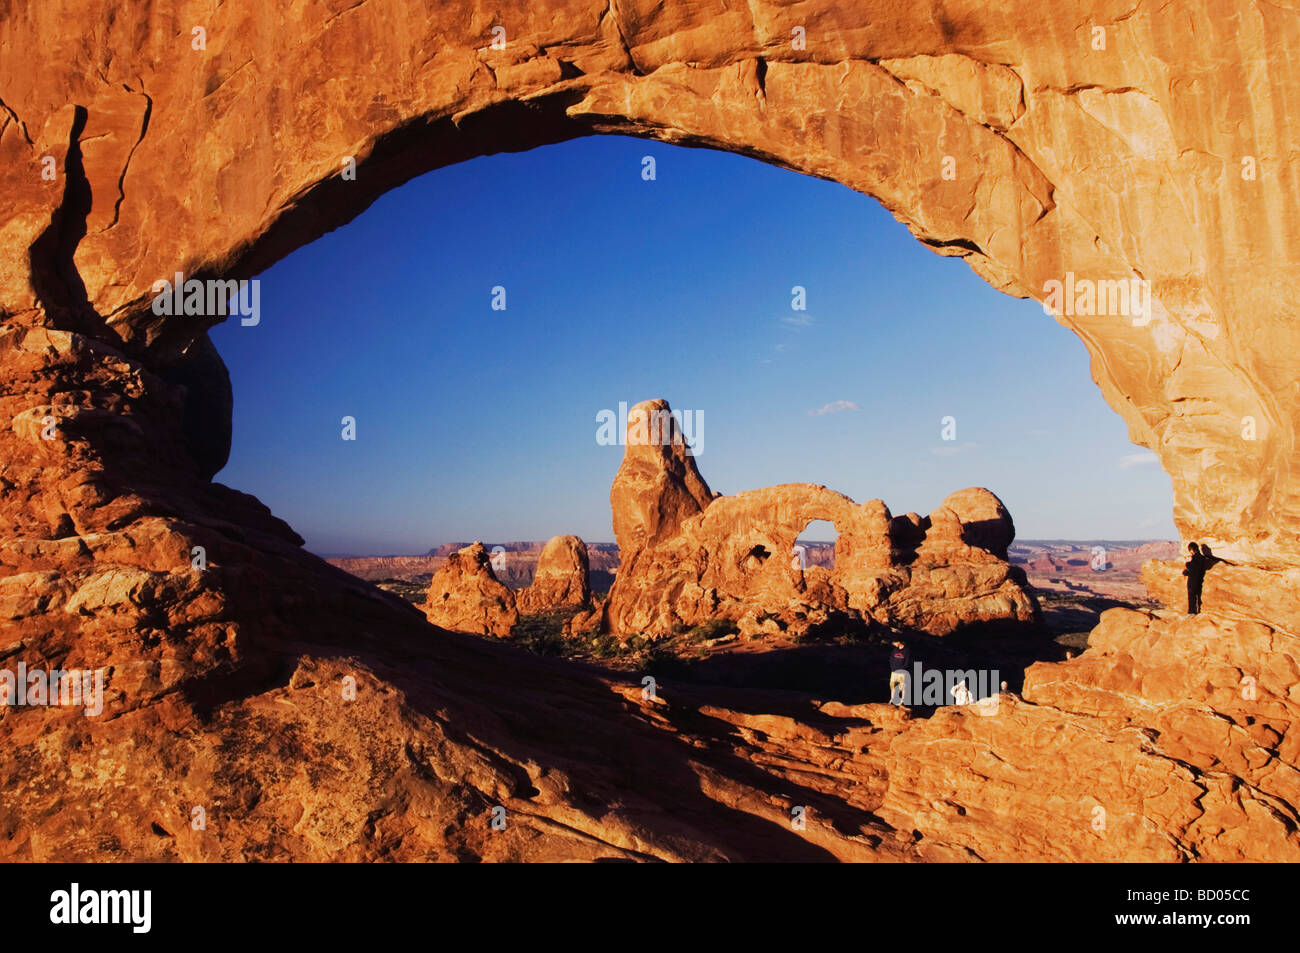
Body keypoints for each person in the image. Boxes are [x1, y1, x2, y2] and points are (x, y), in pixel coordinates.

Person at [1183, 542, 1235, 614]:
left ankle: (1192, 612)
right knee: (1195, 596)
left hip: (1193, 579)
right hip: (1197, 578)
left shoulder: (1197, 558)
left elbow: (1194, 568)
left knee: (1192, 596)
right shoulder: (1201, 558)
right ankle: (1194, 611)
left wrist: (1187, 566)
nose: (1190, 552)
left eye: (1190, 550)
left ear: (1192, 550)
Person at [888, 639, 909, 705]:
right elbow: (891, 659)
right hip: (894, 671)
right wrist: (892, 668)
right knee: (892, 686)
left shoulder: (906, 651)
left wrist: (903, 668)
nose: (894, 644)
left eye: (895, 642)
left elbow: (907, 661)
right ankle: (892, 699)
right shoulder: (894, 650)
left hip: (902, 672)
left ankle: (902, 701)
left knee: (902, 687)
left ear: (899, 642)